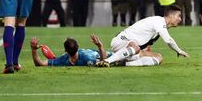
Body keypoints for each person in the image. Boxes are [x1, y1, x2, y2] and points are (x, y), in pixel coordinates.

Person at [96, 5, 189, 68]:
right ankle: (107, 61)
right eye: (179, 16)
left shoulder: (159, 27)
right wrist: (179, 51)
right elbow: (168, 40)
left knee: (158, 58)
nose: (180, 19)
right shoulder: (159, 22)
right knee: (135, 46)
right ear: (171, 15)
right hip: (121, 41)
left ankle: (125, 63)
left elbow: (146, 43)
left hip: (131, 49)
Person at [30, 34, 163, 67]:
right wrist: (99, 46)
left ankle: (144, 47)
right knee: (158, 57)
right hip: (120, 57)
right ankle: (144, 49)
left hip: (119, 56)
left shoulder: (64, 60)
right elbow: (105, 61)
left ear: (65, 50)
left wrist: (33, 50)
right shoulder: (84, 57)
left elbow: (40, 63)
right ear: (78, 47)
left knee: (144, 51)